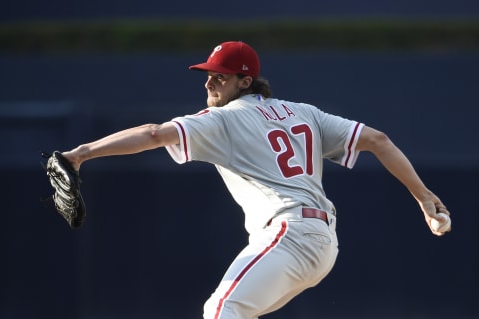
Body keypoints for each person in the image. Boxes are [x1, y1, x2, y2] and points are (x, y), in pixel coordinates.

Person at [61, 41, 451, 319]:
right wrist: (423, 195)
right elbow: (377, 140)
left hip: (289, 233)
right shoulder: (303, 112)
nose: (209, 83)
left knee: (220, 310)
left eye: (219, 77)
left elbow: (151, 133)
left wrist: (82, 153)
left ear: (245, 82)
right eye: (208, 75)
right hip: (321, 243)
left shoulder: (223, 119)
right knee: (236, 312)